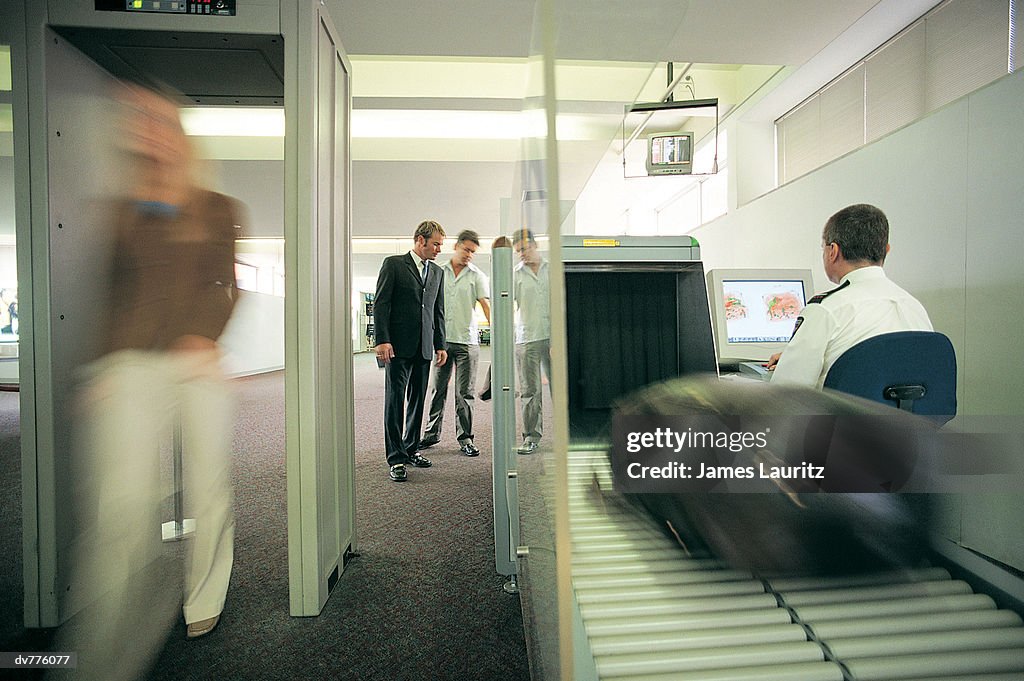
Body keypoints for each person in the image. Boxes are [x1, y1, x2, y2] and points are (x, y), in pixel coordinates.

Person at [60, 83, 241, 681]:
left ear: (181, 136)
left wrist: (203, 335)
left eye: (162, 122)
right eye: (140, 122)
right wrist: (105, 363)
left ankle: (204, 597)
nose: (150, 130)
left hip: (198, 362)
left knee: (207, 482)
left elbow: (224, 285)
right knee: (124, 500)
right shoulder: (121, 209)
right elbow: (112, 297)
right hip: (134, 362)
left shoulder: (215, 207)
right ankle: (100, 637)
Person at [768, 203, 933, 387]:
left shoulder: (825, 310)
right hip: (908, 416)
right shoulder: (915, 308)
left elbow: (785, 394)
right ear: (886, 250)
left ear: (833, 251)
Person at [374, 220, 448, 481]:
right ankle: (395, 458)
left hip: (424, 347)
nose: (439, 249)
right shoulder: (394, 264)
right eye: (436, 243)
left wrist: (440, 344)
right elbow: (381, 304)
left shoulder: (437, 272)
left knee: (418, 401)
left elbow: (437, 311)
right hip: (397, 347)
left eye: (441, 244)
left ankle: (411, 448)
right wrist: (381, 339)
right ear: (420, 240)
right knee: (395, 401)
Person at [420, 230, 490, 457]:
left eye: (473, 252)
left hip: (467, 342)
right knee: (437, 389)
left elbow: (485, 305)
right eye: (466, 249)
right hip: (442, 341)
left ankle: (466, 438)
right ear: (456, 246)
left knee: (465, 393)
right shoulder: (438, 271)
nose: (469, 254)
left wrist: (497, 330)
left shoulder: (477, 275)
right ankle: (431, 434)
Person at [512, 229, 551, 455]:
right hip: (526, 338)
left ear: (535, 245)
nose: (522, 254)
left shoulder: (553, 269)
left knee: (561, 388)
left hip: (553, 336)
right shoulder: (516, 274)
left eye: (524, 249)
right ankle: (531, 437)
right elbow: (508, 304)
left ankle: (570, 435)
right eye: (518, 251)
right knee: (530, 390)